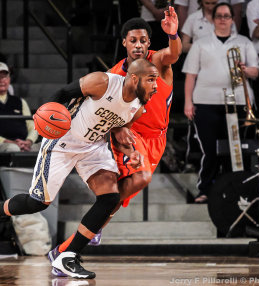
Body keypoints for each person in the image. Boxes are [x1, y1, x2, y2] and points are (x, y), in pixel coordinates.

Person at [0, 58, 159, 279]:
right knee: (37, 202)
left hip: (93, 147)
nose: (155, 86)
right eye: (151, 79)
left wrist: (130, 153)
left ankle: (67, 256)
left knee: (110, 199)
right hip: (63, 142)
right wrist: (47, 118)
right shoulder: (103, 82)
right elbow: (62, 93)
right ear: (134, 78)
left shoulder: (137, 108)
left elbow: (116, 132)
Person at [47, 6, 181, 278]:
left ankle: (69, 246)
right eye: (133, 40)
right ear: (124, 43)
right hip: (131, 135)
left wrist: (174, 34)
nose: (139, 45)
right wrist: (118, 129)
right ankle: (88, 232)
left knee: (126, 189)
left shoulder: (159, 62)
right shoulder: (114, 74)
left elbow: (174, 52)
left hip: (158, 138)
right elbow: (104, 110)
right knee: (141, 178)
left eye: (144, 40)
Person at [182, 2, 259, 203]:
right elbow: (190, 75)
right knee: (210, 150)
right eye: (219, 16)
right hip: (205, 102)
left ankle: (234, 190)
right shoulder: (200, 43)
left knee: (235, 149)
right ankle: (206, 189)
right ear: (213, 19)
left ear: (233, 19)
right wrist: (188, 103)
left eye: (227, 16)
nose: (223, 19)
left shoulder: (244, 42)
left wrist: (245, 70)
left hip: (238, 101)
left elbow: (255, 71)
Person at [0, 62, 38, 152]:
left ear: (9, 80)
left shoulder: (20, 101)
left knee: (49, 147)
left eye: (5, 77)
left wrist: (28, 141)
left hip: (25, 144)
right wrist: (10, 142)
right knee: (13, 149)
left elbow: (32, 126)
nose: (1, 80)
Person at [176, 0, 244, 33]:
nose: (210, 7)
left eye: (213, 3)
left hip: (225, 30)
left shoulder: (231, 24)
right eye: (207, 3)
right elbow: (182, 7)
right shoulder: (192, 18)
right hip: (194, 30)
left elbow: (237, 7)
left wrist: (233, 36)